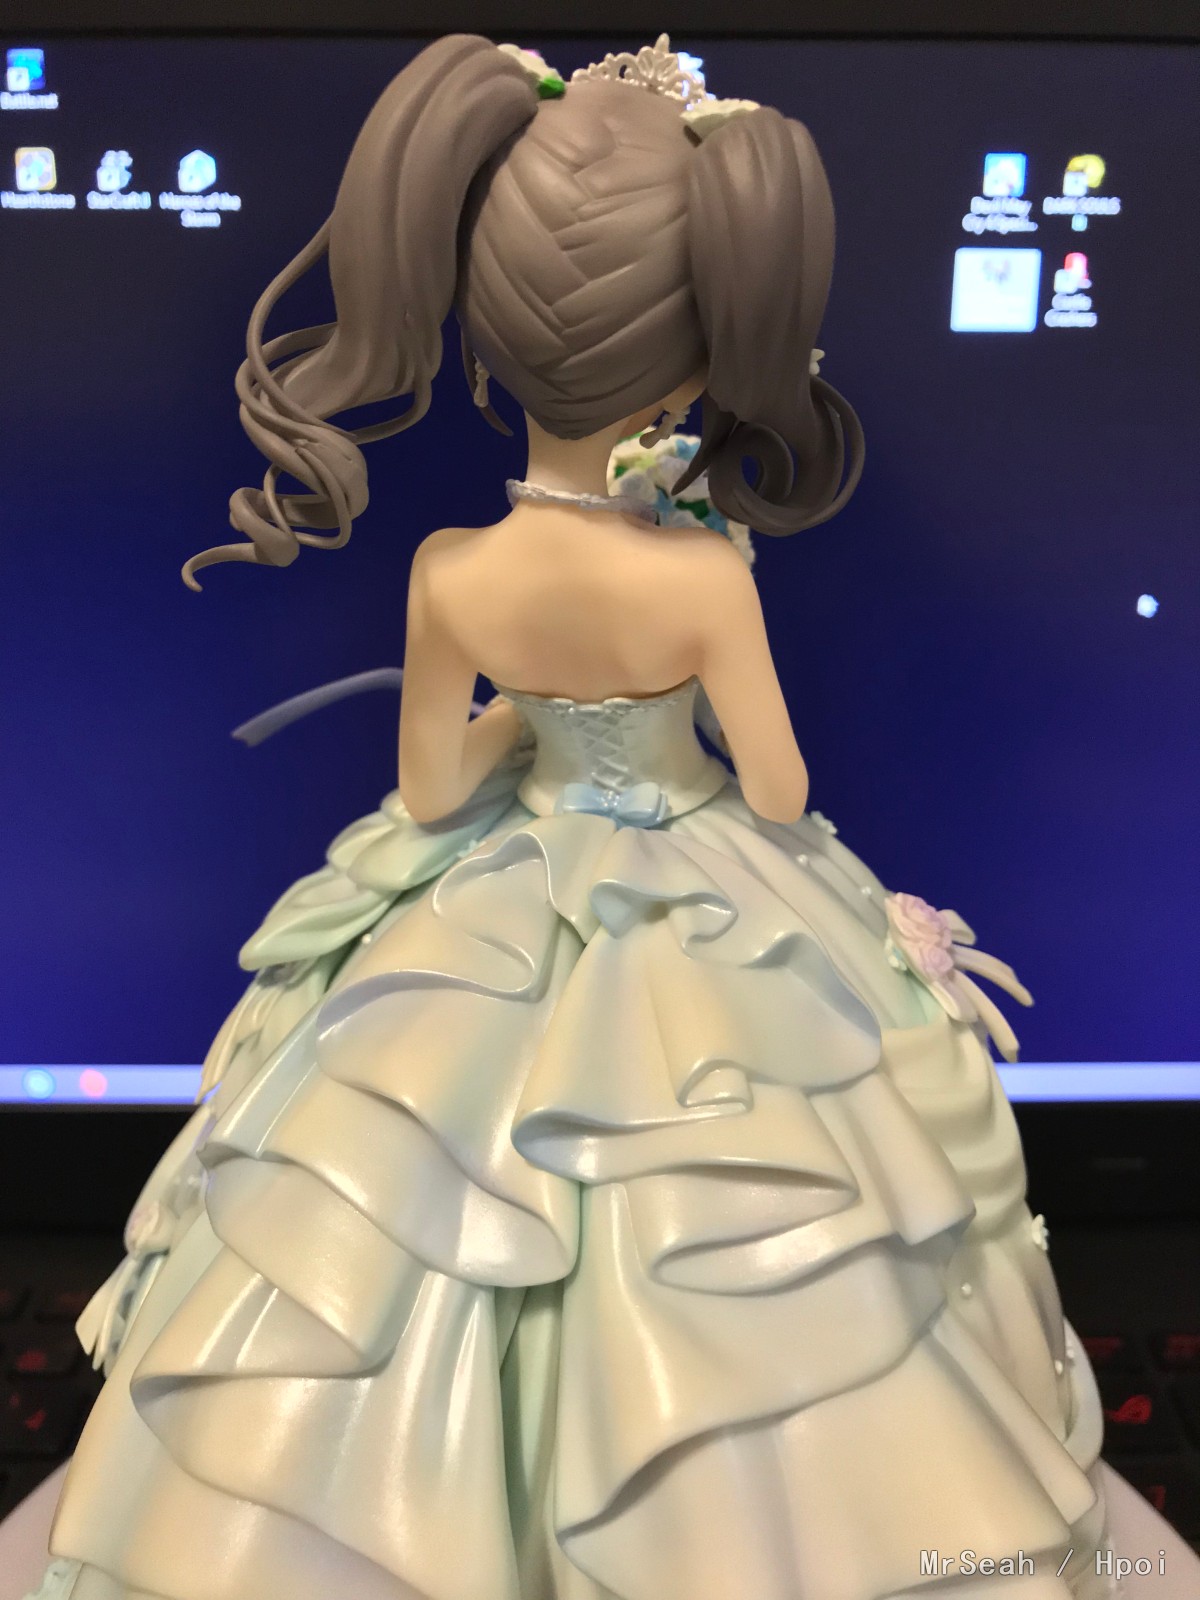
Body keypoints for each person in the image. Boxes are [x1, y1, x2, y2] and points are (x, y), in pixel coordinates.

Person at [26, 33, 1116, 1600]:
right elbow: (782, 789)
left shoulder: (453, 571)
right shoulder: (702, 574)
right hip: (701, 895)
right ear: (709, 348)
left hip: (485, 909)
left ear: (482, 338)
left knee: (391, 1184)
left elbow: (428, 788)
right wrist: (654, 748)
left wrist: (524, 727)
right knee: (782, 1194)